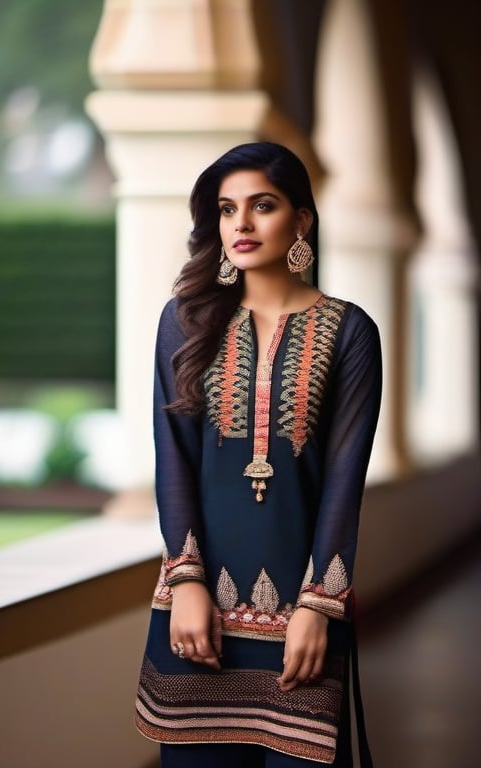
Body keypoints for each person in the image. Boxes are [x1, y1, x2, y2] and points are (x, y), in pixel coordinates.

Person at [135, 142, 382, 767]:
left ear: (300, 219)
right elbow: (175, 464)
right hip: (198, 615)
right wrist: (185, 584)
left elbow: (342, 488)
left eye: (261, 206)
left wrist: (318, 610)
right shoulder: (185, 323)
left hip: (304, 619)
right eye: (225, 209)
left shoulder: (350, 331)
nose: (239, 225)